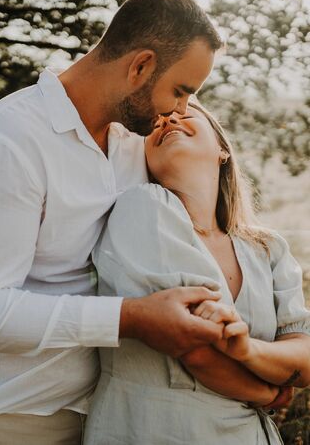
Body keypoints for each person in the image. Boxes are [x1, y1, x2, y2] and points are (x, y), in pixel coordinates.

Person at [0, 0, 226, 445]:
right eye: (180, 91)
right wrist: (131, 318)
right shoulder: (8, 143)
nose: (181, 110)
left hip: (107, 417)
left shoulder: (136, 142)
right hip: (8, 419)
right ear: (140, 66)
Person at [83, 103, 310, 445]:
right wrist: (267, 393)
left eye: (185, 114)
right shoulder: (144, 207)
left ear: (222, 150)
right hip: (156, 429)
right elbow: (195, 347)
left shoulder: (267, 248)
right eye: (155, 122)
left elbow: (304, 358)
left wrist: (247, 350)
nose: (168, 119)